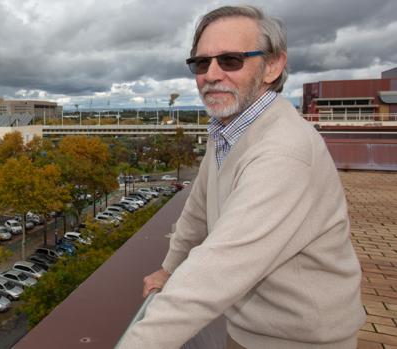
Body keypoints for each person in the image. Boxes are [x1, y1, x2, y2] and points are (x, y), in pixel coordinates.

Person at [118, 5, 365, 349]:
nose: (212, 74)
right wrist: (170, 268)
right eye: (201, 63)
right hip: (251, 329)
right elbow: (198, 212)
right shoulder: (228, 130)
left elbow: (219, 267)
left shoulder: (283, 151)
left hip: (298, 340)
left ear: (273, 65)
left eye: (231, 60)